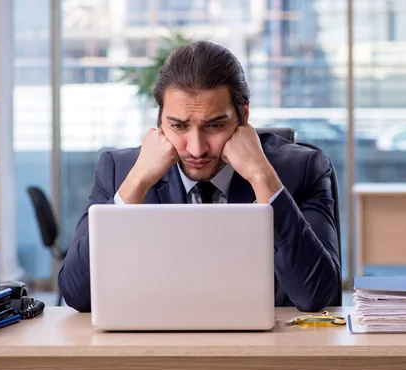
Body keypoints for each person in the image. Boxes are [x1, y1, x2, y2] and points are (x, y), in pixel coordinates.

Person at [58, 40, 341, 313]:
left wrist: (262, 177)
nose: (196, 148)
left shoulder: (303, 169)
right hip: (155, 348)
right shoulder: (119, 170)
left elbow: (317, 295)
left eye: (215, 125)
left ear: (243, 116)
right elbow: (76, 293)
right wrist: (136, 184)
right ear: (160, 121)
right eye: (178, 126)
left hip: (265, 351)